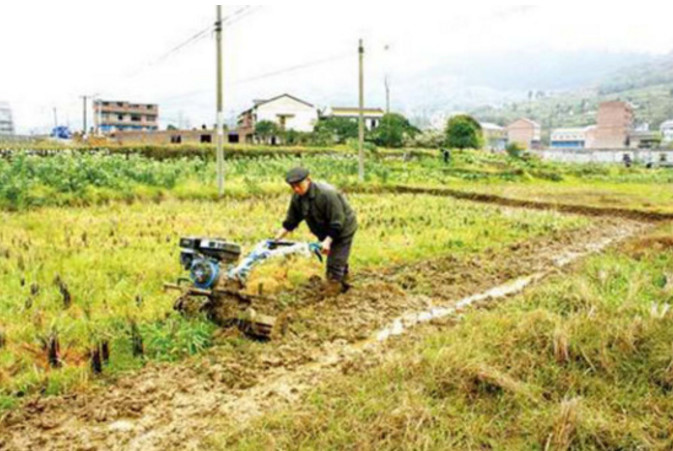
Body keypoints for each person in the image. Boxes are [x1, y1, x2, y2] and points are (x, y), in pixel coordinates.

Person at [274, 167, 357, 295]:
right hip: (324, 230)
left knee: (334, 264)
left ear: (308, 180)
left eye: (298, 185)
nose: (296, 189)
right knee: (338, 258)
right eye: (293, 186)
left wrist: (327, 242)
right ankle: (344, 284)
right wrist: (278, 237)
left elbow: (337, 222)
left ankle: (333, 291)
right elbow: (291, 220)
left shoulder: (327, 194)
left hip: (343, 229)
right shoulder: (297, 198)